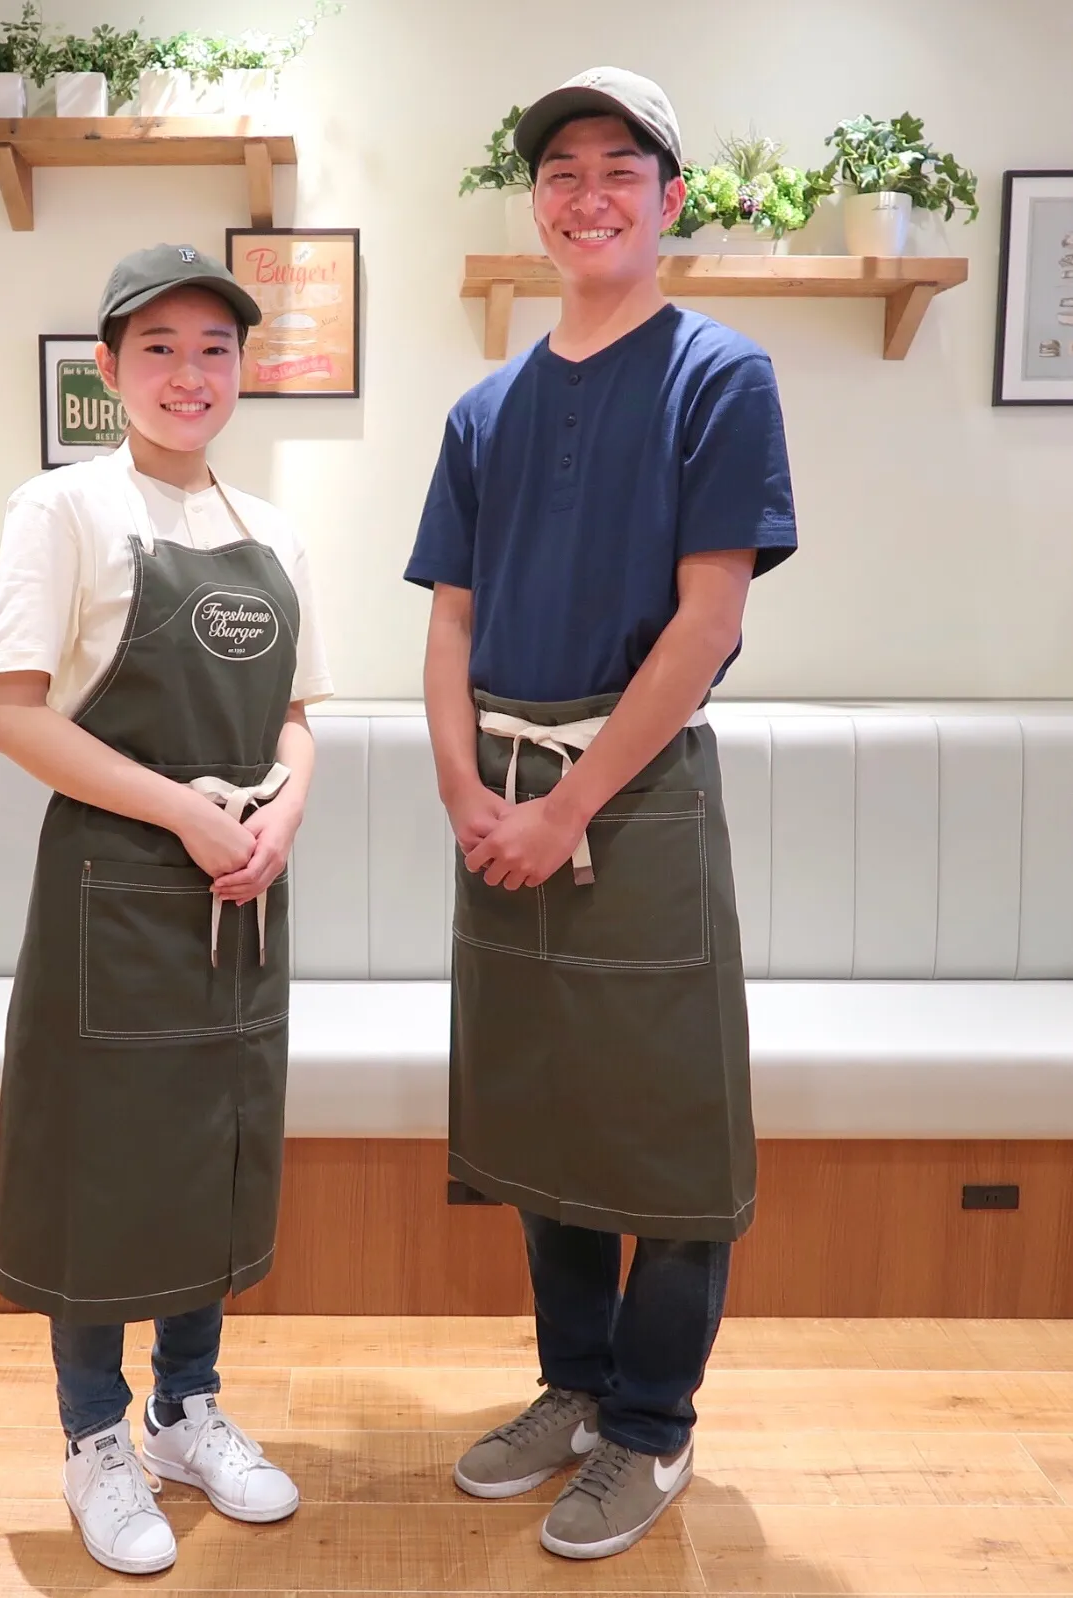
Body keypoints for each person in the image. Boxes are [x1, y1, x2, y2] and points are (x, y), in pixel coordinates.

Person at [405, 67, 797, 1560]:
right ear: (537, 204)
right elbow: (448, 622)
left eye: (618, 169)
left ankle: (650, 1424)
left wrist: (566, 803)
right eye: (561, 171)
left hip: (632, 796)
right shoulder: (484, 408)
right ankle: (571, 1384)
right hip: (497, 793)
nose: (587, 195)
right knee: (539, 1103)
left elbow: (706, 623)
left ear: (668, 197)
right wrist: (467, 791)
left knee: (668, 1123)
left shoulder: (719, 376)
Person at [0, 244, 332, 1576]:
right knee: (101, 1163)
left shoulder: (275, 531)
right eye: (161, 349)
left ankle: (186, 1411)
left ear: (243, 368)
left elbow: (297, 718)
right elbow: (15, 717)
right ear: (111, 367)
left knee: (210, 1147)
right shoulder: (62, 509)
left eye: (215, 349)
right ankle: (93, 1436)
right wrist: (185, 813)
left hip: (241, 891)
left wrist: (280, 815)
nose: (191, 374)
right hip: (115, 889)